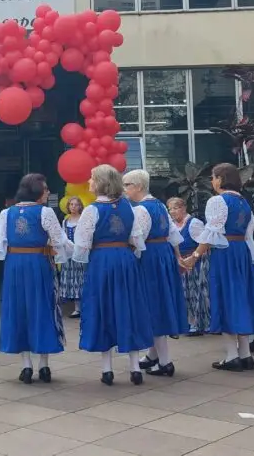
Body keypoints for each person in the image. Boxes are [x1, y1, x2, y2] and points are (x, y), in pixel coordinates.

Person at [0, 173, 73, 384]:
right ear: (37, 191)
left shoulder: (7, 213)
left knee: (19, 310)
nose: (48, 192)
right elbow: (60, 240)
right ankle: (44, 365)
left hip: (15, 266)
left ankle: (26, 366)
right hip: (39, 265)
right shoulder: (45, 212)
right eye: (46, 189)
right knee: (43, 308)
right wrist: (77, 252)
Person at [72, 165, 153, 386]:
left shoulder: (92, 209)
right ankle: (135, 367)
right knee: (129, 307)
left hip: (102, 261)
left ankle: (107, 370)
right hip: (125, 260)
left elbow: (82, 245)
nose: (89, 182)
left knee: (103, 309)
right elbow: (137, 240)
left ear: (100, 182)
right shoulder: (128, 206)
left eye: (92, 179)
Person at [181, 163, 254, 372]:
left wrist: (195, 255)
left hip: (226, 253)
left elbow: (212, 232)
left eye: (213, 177)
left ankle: (232, 355)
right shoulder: (244, 202)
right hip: (242, 253)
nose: (211, 181)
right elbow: (248, 234)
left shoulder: (217, 201)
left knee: (226, 299)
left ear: (220, 179)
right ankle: (245, 354)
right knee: (241, 299)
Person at [122, 170, 186, 377]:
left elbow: (137, 239)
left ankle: (166, 362)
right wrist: (177, 258)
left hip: (149, 258)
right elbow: (173, 234)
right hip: (163, 255)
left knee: (153, 306)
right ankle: (153, 355)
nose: (125, 189)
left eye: (127, 185)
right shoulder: (159, 205)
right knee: (159, 302)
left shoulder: (140, 209)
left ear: (138, 186)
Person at [168, 197, 208, 337]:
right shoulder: (171, 225)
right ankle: (186, 322)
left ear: (184, 208)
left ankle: (198, 323)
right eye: (170, 209)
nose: (172, 211)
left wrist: (194, 259)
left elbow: (204, 243)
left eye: (175, 208)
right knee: (184, 294)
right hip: (180, 263)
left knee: (196, 293)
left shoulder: (194, 223)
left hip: (194, 263)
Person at [59, 197, 86, 318]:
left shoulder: (83, 220)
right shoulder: (65, 221)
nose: (73, 207)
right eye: (71, 204)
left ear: (80, 206)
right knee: (71, 279)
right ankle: (77, 308)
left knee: (81, 278)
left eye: (76, 204)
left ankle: (83, 307)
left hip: (80, 253)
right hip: (69, 254)